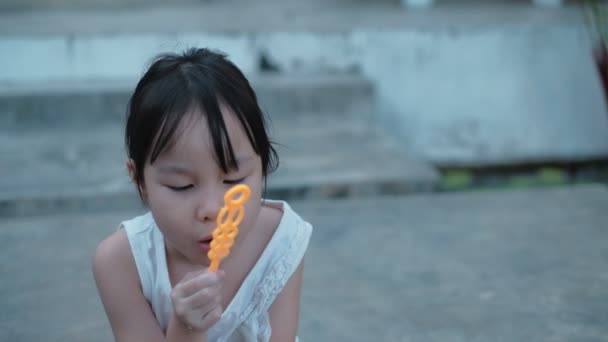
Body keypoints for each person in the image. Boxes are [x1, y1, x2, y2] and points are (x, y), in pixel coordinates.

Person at [92, 47, 313, 342]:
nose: (212, 209)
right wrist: (187, 329)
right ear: (138, 180)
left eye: (233, 179)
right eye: (181, 185)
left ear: (262, 166)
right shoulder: (120, 262)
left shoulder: (281, 241)